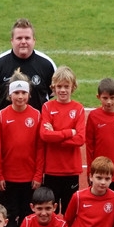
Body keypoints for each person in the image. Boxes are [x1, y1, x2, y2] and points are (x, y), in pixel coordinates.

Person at [0, 75, 46, 227]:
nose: (20, 96)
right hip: (7, 179)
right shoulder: (1, 116)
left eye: (24, 93)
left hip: (29, 179)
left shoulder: (37, 115)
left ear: (29, 95)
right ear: (10, 95)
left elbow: (40, 148)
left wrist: (38, 175)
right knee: (8, 219)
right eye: (16, 93)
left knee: (27, 219)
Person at [0, 18, 56, 111]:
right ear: (12, 41)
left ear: (34, 40)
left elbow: (53, 92)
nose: (23, 42)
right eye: (19, 38)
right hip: (5, 120)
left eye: (27, 38)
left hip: (38, 120)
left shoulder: (47, 65)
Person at [39, 66, 85, 213]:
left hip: (71, 170)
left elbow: (80, 139)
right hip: (51, 170)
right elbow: (45, 135)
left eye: (66, 86)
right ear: (53, 87)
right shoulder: (47, 107)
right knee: (49, 212)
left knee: (70, 212)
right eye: (59, 86)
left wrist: (55, 135)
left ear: (73, 87)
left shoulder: (78, 108)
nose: (63, 90)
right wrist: (69, 132)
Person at [85, 78, 114, 196]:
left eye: (112, 97)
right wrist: (90, 171)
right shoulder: (93, 116)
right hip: (100, 173)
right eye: (105, 98)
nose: (109, 102)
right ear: (98, 97)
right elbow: (89, 146)